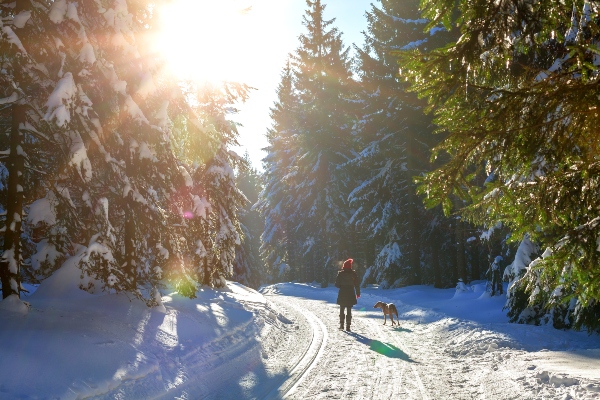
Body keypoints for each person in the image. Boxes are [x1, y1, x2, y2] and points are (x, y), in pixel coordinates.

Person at [335, 258, 360, 331]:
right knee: (349, 309)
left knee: (342, 308)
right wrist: (358, 293)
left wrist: (341, 285)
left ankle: (341, 324)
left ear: (344, 266)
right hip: (351, 293)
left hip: (342, 292)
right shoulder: (354, 274)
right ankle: (348, 326)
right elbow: (357, 285)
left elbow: (336, 284)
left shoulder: (340, 274)